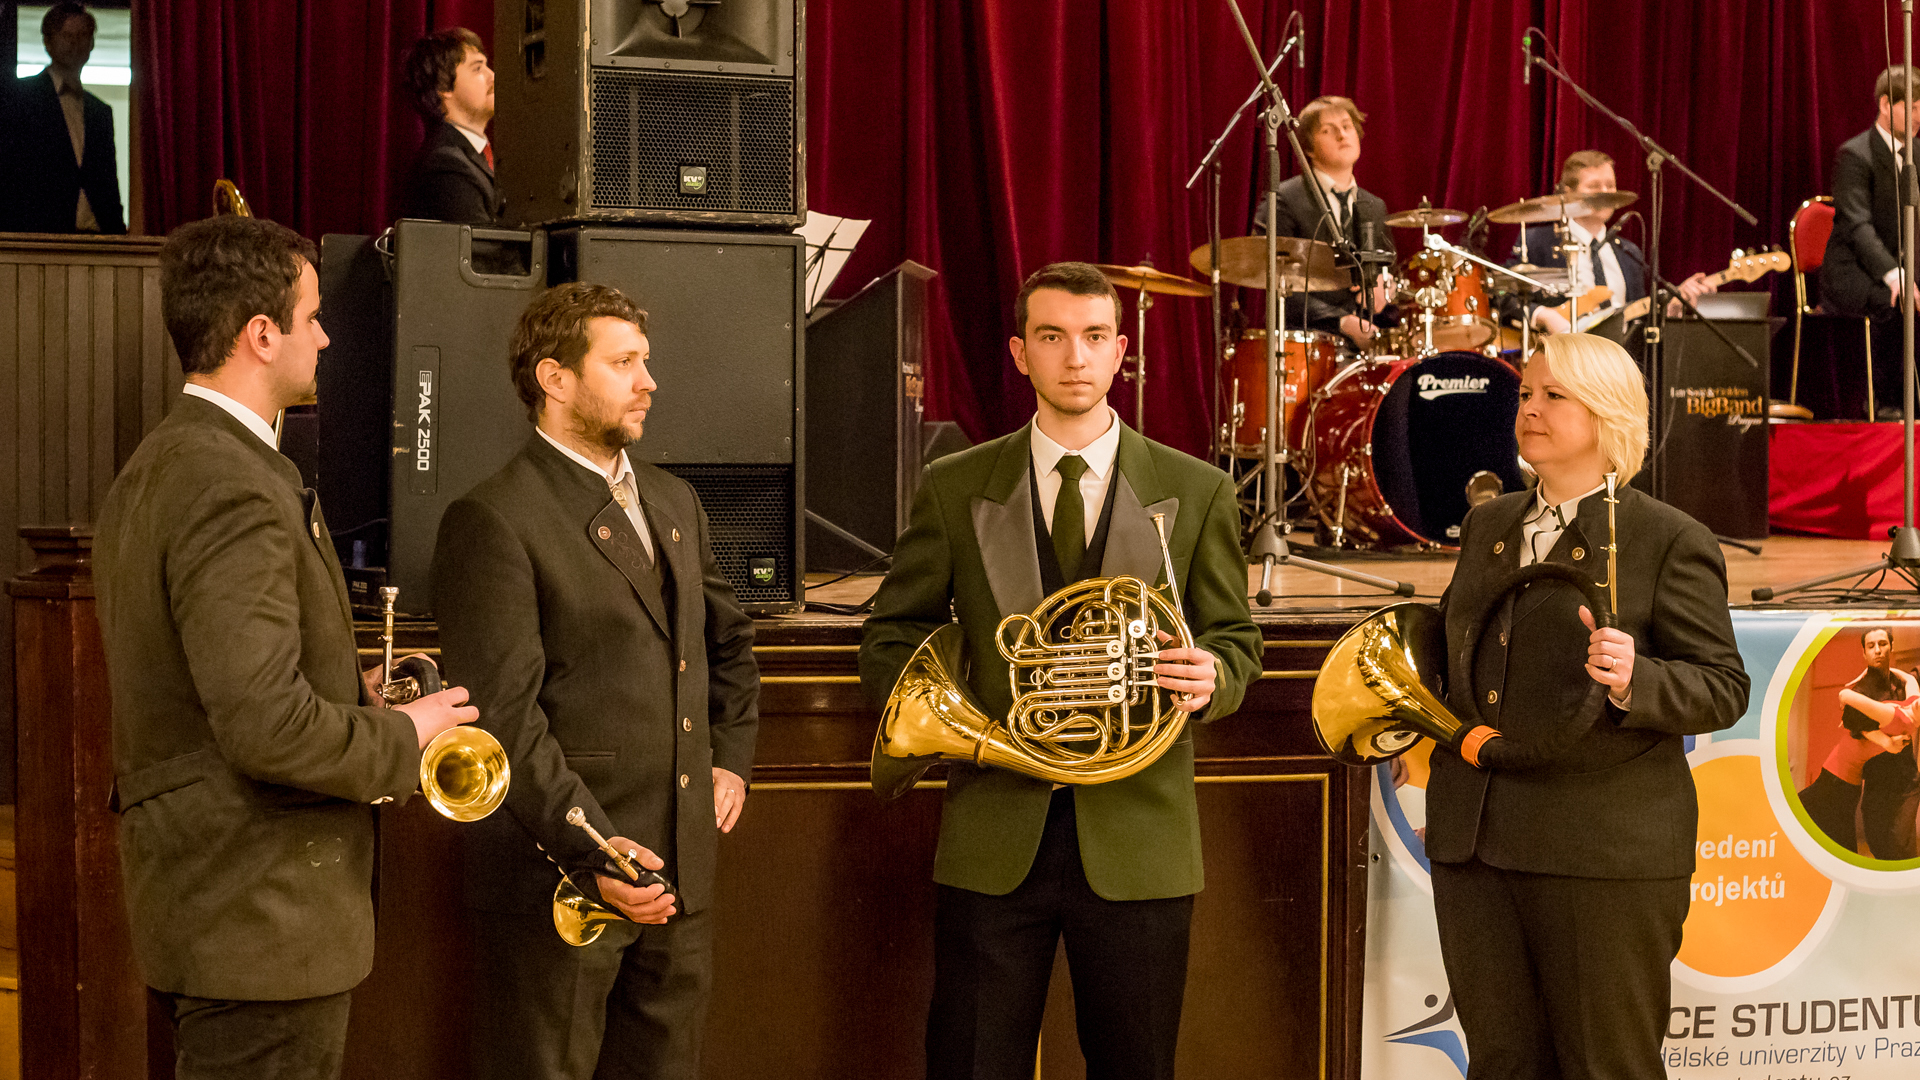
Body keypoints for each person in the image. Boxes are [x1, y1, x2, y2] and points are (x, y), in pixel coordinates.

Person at [94, 215, 478, 1079]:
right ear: (261, 335)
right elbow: (263, 726)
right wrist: (403, 736)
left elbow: (209, 681)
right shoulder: (229, 481)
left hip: (214, 902)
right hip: (258, 916)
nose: (326, 337)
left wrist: (347, 685)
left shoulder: (167, 461)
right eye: (312, 317)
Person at [859, 262, 1263, 1080]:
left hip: (1139, 837)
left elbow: (1235, 639)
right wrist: (954, 718)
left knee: (1135, 1067)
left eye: (1093, 337)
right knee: (972, 1064)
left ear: (1121, 351)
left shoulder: (1198, 489)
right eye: (1052, 337)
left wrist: (1212, 677)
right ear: (1020, 353)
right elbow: (893, 631)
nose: (1075, 357)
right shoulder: (954, 486)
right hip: (995, 830)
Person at [431, 282, 759, 1080]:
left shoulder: (674, 500)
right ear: (555, 378)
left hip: (679, 875)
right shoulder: (493, 518)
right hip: (558, 884)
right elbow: (503, 722)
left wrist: (731, 759)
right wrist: (598, 853)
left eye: (644, 361)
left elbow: (728, 643)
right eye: (623, 364)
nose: (649, 382)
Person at [1425, 333, 1749, 1080]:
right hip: (1477, 845)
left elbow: (1722, 686)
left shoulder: (1669, 538)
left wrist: (1637, 679)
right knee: (1502, 1065)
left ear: (1607, 415)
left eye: (1553, 396)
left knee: (1607, 1067)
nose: (1528, 409)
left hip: (1600, 854)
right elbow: (1459, 653)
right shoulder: (1487, 525)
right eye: (1526, 394)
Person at [1506, 150, 1713, 339]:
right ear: (1568, 193)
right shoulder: (1537, 242)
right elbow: (1500, 296)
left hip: (1619, 360)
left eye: (1610, 186)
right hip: (1561, 358)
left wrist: (1672, 306)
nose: (1605, 193)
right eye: (1594, 186)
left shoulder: (1629, 252)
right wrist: (1544, 315)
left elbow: (1639, 321)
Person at [1253, 95, 1397, 350]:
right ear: (1308, 148)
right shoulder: (1284, 199)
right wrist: (1342, 322)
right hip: (1306, 345)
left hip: (1367, 347)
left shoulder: (1375, 206)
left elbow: (1386, 270)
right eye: (1328, 130)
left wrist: (1385, 287)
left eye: (1347, 126)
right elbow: (1273, 283)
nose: (1342, 135)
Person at [1822, 65, 1920, 420]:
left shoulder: (1916, 154)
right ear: (1885, 104)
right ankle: (1882, 404)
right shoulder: (1855, 155)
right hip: (1853, 272)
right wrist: (1895, 275)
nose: (1918, 117)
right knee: (1893, 301)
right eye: (1911, 107)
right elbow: (1857, 226)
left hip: (1901, 267)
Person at [0, 2, 127, 234]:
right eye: (67, 36)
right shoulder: (19, 98)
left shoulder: (100, 112)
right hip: (37, 234)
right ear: (48, 42)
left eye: (83, 35)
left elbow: (107, 183)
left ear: (92, 43)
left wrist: (117, 233)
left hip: (96, 235)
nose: (75, 43)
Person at [1797, 628, 1917, 854]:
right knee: (1836, 837)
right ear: (1864, 653)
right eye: (1871, 646)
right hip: (1839, 778)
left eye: (1883, 644)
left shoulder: (1902, 713)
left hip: (1846, 780)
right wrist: (1884, 741)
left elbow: (1850, 708)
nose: (1878, 650)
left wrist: (1848, 697)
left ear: (1891, 646)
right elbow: (1850, 717)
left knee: (1840, 840)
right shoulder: (1902, 708)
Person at [401, 27, 502, 224]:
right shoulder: (445, 165)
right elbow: (481, 242)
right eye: (477, 68)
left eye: (487, 66)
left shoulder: (479, 157)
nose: (493, 76)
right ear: (443, 85)